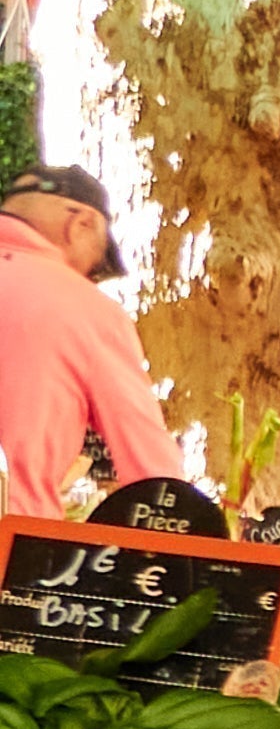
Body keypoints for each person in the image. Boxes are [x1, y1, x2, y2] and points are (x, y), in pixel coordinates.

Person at [0, 165, 179, 507]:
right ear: (80, 224)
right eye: (94, 265)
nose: (90, 276)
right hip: (11, 542)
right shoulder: (87, 308)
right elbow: (154, 476)